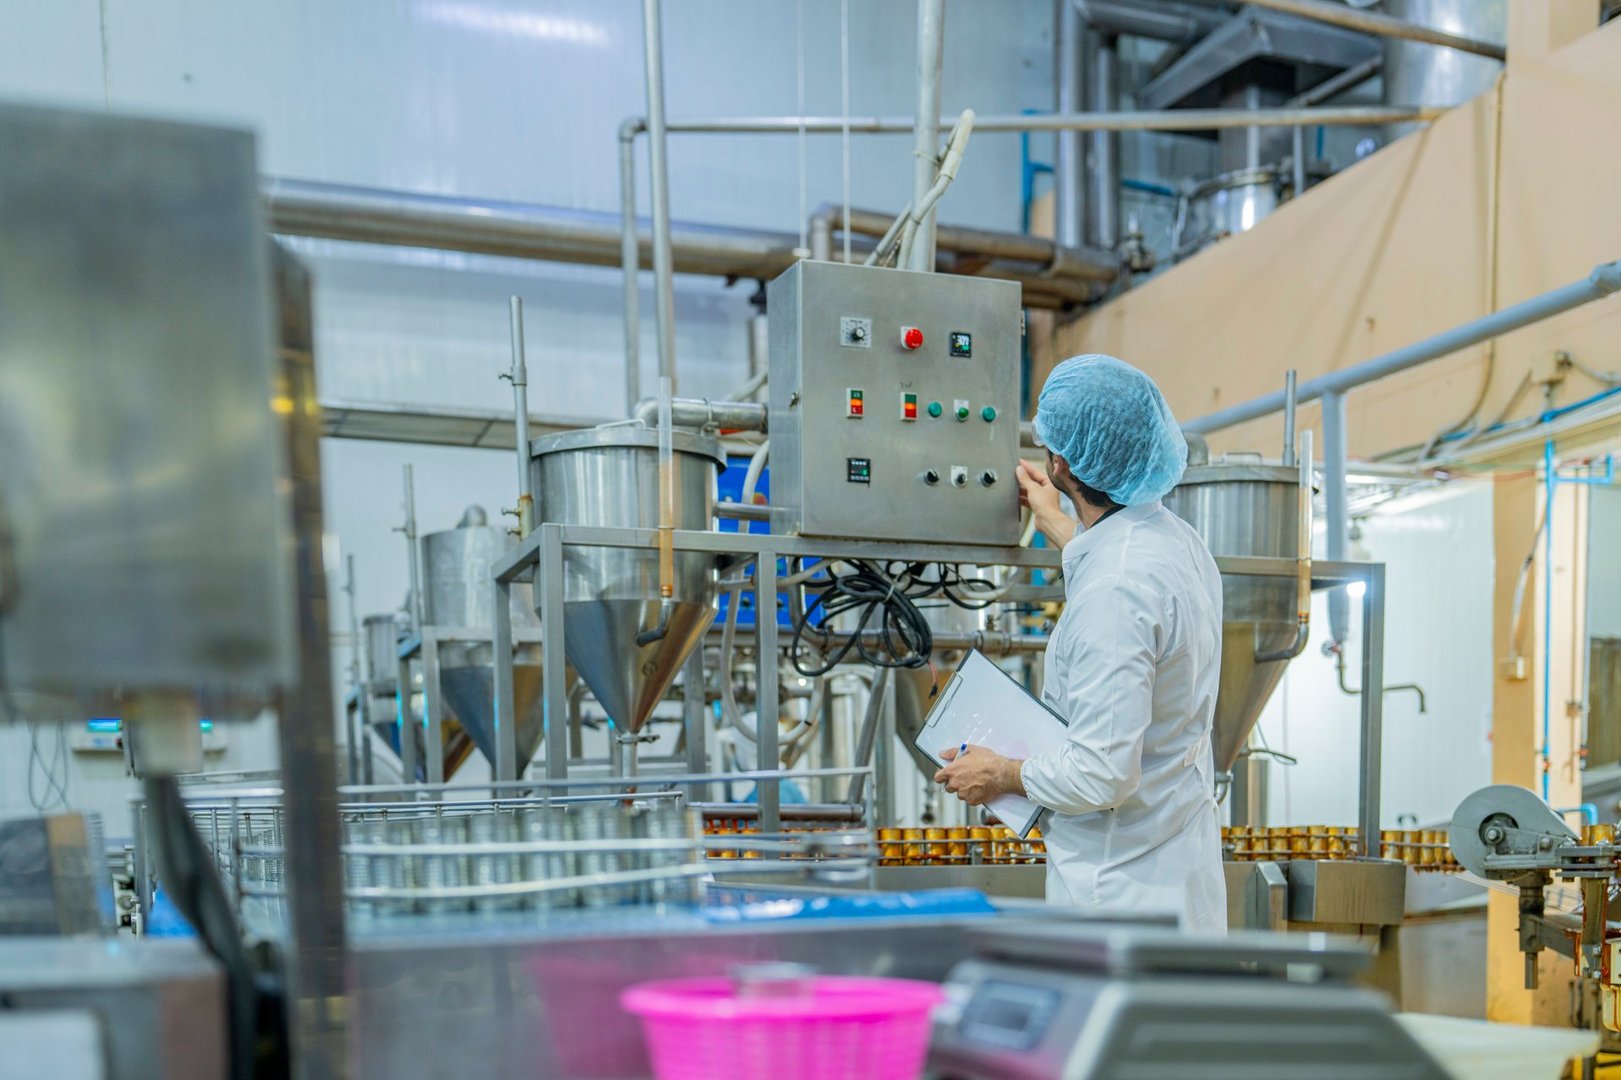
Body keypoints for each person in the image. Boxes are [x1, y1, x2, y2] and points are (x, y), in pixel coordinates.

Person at [932, 353, 1226, 934]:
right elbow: (1116, 567)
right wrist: (1057, 521)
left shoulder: (1116, 589)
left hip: (1119, 895)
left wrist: (1002, 776)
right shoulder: (1175, 541)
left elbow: (1101, 775)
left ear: (1059, 460)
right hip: (1176, 870)